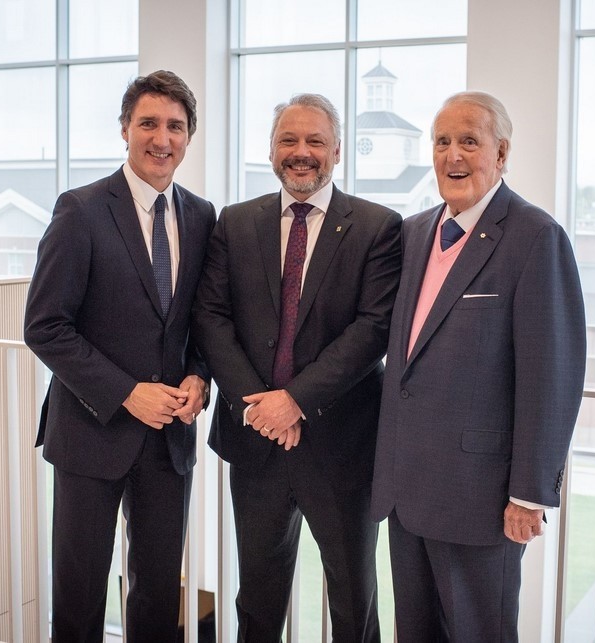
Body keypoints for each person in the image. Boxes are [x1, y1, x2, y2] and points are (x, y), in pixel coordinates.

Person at [371, 91, 586, 642]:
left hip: (481, 499)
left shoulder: (536, 238)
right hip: (406, 493)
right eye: (442, 142)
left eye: (469, 140)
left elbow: (552, 377)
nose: (453, 155)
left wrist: (530, 492)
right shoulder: (414, 231)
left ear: (502, 152)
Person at [192, 93, 401, 642]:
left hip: (342, 447)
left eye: (314, 141)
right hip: (256, 444)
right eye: (289, 140)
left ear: (337, 151)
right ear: (271, 151)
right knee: (256, 599)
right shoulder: (235, 223)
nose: (301, 152)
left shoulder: (378, 227)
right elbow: (211, 318)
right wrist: (259, 406)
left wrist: (295, 400)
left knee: (354, 600)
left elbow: (372, 330)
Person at [24, 70, 215, 643]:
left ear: (189, 136)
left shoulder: (203, 216)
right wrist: (126, 392)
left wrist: (200, 378)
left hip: (168, 441)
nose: (162, 138)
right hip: (90, 434)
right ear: (125, 131)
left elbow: (202, 323)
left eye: (175, 126)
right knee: (81, 593)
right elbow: (45, 326)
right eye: (149, 123)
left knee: (158, 593)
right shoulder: (79, 210)